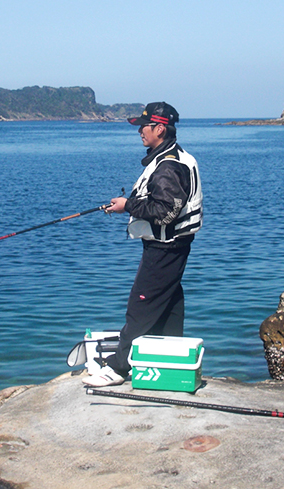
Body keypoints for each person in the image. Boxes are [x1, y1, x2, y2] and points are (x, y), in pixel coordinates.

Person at [83, 102, 203, 387]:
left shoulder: (169, 166)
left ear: (160, 129)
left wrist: (128, 206)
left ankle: (118, 368)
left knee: (141, 306)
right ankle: (165, 360)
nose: (139, 131)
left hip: (164, 249)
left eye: (144, 126)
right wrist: (129, 205)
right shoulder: (173, 157)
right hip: (174, 247)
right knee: (169, 305)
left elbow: (166, 212)